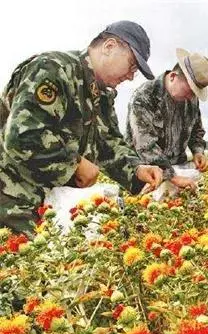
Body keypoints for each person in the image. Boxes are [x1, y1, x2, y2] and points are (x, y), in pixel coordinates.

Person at [0, 21, 163, 234]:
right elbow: (22, 136)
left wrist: (137, 170)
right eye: (131, 65)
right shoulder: (54, 69)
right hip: (13, 197)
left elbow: (109, 144)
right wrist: (75, 164)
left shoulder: (101, 95)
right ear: (109, 46)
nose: (131, 76)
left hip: (53, 202)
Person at [127, 48, 208, 189]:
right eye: (189, 91)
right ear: (173, 76)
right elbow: (145, 146)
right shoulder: (144, 98)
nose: (191, 97)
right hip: (147, 176)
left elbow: (196, 130)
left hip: (179, 170)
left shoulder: (191, 99)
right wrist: (172, 176)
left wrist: (198, 152)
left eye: (194, 94)